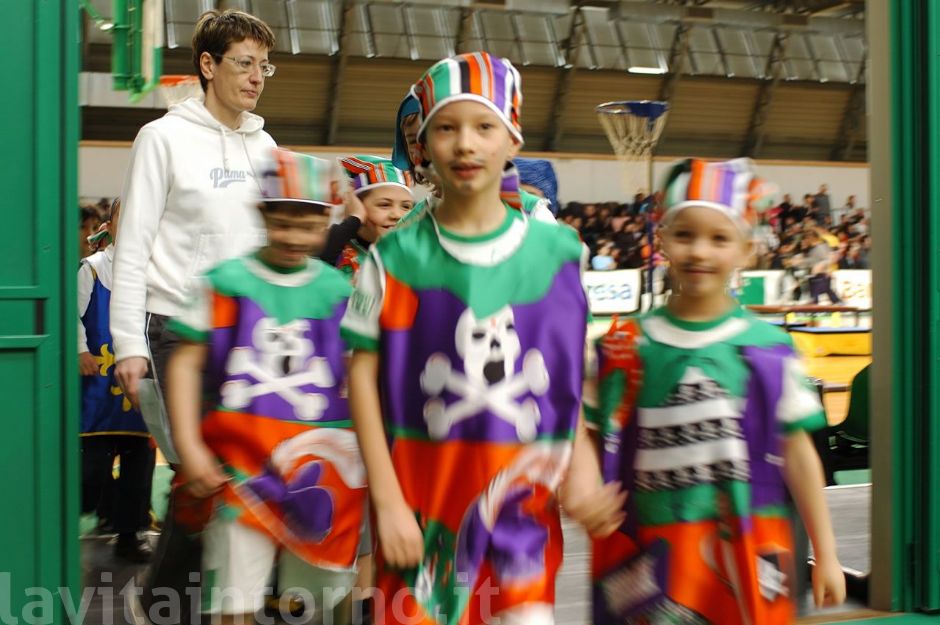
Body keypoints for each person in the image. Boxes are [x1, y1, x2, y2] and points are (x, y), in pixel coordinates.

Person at [341, 51, 623, 625]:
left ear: (512, 139)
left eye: (483, 127)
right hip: (421, 510)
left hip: (523, 513)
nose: (465, 144)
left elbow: (568, 373)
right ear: (423, 143)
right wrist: (387, 503)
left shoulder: (558, 253)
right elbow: (361, 380)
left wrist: (582, 464)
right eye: (447, 127)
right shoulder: (393, 258)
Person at [590, 158, 846, 625]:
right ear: (662, 239)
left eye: (719, 238)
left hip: (747, 555)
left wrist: (826, 552)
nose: (700, 252)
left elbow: (798, 454)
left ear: (746, 250)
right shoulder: (626, 343)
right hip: (654, 556)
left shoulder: (769, 349)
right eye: (685, 235)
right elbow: (587, 426)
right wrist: (586, 487)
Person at [110, 9, 278, 621]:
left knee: (236, 476)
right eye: (244, 63)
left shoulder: (266, 145)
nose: (256, 77)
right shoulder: (162, 138)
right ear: (208, 65)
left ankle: (210, 603)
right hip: (176, 329)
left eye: (264, 67)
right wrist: (128, 342)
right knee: (200, 474)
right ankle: (164, 602)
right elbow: (132, 247)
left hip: (250, 334)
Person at [167, 149, 366, 625]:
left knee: (322, 592)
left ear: (329, 221)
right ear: (261, 214)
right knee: (234, 596)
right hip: (240, 469)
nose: (294, 238)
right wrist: (190, 448)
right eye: (282, 224)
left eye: (308, 226)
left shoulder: (339, 292)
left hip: (322, 471)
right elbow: (185, 364)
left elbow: (359, 374)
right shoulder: (225, 283)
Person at [79, 199, 156, 562]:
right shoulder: (92, 269)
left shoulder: (155, 271)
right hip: (98, 382)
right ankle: (95, 508)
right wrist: (80, 349)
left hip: (139, 383)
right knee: (91, 466)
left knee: (138, 466)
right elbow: (71, 313)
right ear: (109, 226)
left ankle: (130, 534)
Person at [335, 155, 414, 278]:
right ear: (356, 206)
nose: (397, 215)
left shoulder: (419, 258)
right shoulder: (334, 255)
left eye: (406, 206)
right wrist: (355, 218)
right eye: (384, 205)